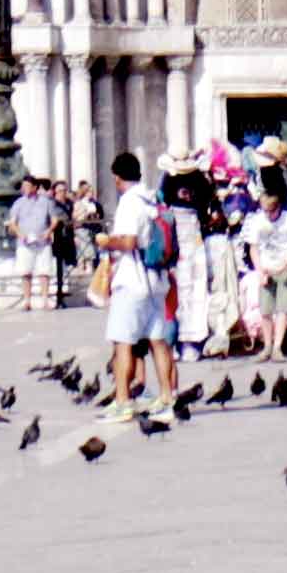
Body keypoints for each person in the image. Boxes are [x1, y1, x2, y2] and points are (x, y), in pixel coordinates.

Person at [103, 155, 189, 423]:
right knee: (158, 341)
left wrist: (106, 241)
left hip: (133, 280)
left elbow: (128, 241)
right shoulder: (153, 197)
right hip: (157, 280)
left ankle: (122, 401)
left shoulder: (129, 201)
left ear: (117, 177)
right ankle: (166, 397)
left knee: (123, 343)